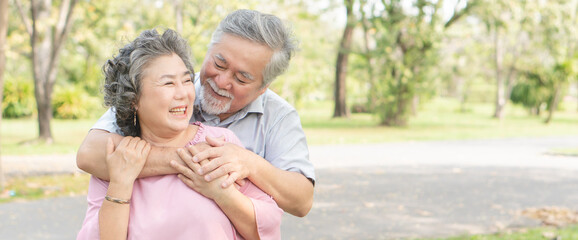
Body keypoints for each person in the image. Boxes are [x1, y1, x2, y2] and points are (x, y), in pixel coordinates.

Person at [76, 9, 315, 217]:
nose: (221, 81)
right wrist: (194, 161)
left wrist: (248, 162)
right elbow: (89, 154)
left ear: (263, 88)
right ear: (209, 50)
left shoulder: (279, 117)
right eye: (219, 64)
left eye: (241, 78)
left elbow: (301, 201)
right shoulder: (167, 91)